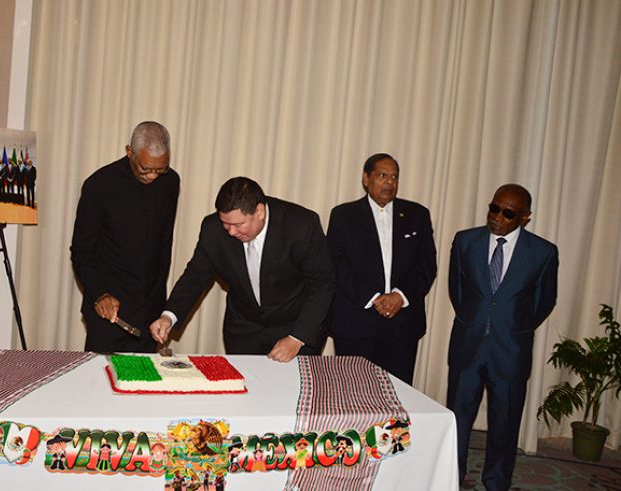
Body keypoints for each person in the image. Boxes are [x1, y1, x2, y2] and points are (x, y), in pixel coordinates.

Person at [447, 184, 558, 491]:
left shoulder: (543, 253)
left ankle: (496, 481)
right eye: (493, 208)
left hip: (511, 350)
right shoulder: (465, 241)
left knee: (505, 423)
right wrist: (477, 321)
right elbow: (457, 291)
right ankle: (450, 477)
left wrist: (509, 327)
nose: (497, 217)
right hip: (467, 346)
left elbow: (543, 302)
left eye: (508, 213)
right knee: (457, 417)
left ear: (525, 217)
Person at [150, 177, 335, 362]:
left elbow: (322, 285)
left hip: (295, 326)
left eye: (238, 225)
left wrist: (297, 338)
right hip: (243, 330)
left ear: (260, 212)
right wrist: (168, 317)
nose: (231, 232)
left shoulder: (301, 226)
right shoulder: (213, 230)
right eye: (226, 223)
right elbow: (195, 276)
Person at [326, 153, 437, 384]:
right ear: (366, 179)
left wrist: (400, 296)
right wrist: (374, 298)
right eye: (382, 175)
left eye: (395, 177)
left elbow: (427, 264)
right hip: (356, 322)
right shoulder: (343, 215)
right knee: (353, 395)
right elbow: (337, 264)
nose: (389, 182)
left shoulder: (417, 215)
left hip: (403, 325)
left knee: (396, 397)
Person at [71, 121, 179, 352]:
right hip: (109, 310)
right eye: (145, 168)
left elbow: (164, 244)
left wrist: (162, 305)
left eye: (160, 169)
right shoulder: (99, 186)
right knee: (101, 381)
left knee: (146, 383)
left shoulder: (170, 182)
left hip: (150, 312)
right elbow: (82, 250)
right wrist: (100, 293)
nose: (152, 176)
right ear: (129, 151)